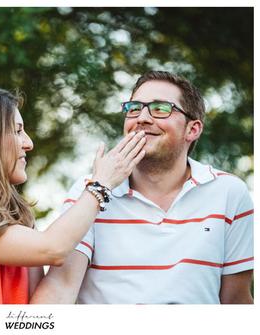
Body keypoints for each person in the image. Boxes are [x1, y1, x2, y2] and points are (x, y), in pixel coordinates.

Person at [0, 83, 146, 304]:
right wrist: (101, 184)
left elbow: (35, 306)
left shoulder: (18, 217)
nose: (28, 143)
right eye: (17, 131)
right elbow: (53, 248)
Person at [31, 71, 254, 304]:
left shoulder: (229, 192)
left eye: (160, 108)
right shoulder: (90, 190)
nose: (142, 118)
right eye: (134, 108)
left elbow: (235, 301)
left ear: (193, 129)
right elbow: (60, 288)